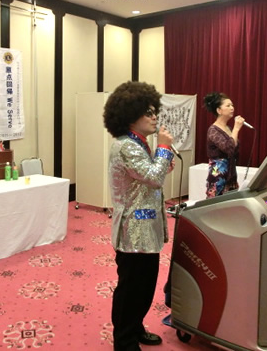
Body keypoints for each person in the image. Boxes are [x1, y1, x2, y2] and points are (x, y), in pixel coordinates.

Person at [103, 81, 175, 351]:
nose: (154, 117)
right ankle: (124, 341)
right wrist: (164, 149)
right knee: (131, 289)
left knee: (145, 287)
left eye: (155, 111)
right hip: (132, 232)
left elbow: (147, 177)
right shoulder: (126, 146)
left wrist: (163, 159)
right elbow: (153, 177)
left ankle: (135, 328)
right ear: (130, 115)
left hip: (146, 229)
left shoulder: (139, 143)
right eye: (148, 112)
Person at [203, 91, 245, 198]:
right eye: (228, 105)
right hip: (218, 174)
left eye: (232, 105)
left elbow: (235, 151)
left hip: (231, 174)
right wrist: (236, 128)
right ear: (219, 110)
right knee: (216, 204)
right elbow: (229, 148)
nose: (232, 108)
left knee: (230, 204)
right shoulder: (213, 130)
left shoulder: (229, 129)